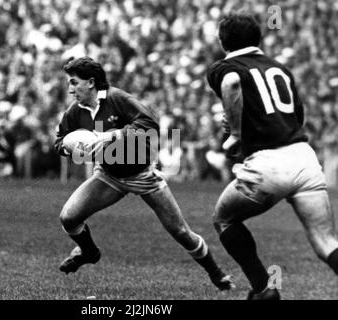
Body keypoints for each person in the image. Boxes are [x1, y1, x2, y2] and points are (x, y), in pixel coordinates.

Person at [54, 57, 234, 291]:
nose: (70, 89)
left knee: (180, 231)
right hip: (108, 175)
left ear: (90, 82)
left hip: (142, 175)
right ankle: (89, 252)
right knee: (68, 218)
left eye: (74, 83)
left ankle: (216, 274)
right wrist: (71, 148)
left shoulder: (117, 99)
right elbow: (59, 141)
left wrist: (114, 135)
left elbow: (149, 123)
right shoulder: (75, 112)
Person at [206, 13, 338, 300]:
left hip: (267, 165)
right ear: (258, 38)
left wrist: (236, 136)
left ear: (223, 40)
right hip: (303, 158)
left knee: (224, 219)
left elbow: (231, 84)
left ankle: (263, 288)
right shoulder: (280, 68)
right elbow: (297, 117)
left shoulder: (226, 66)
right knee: (326, 242)